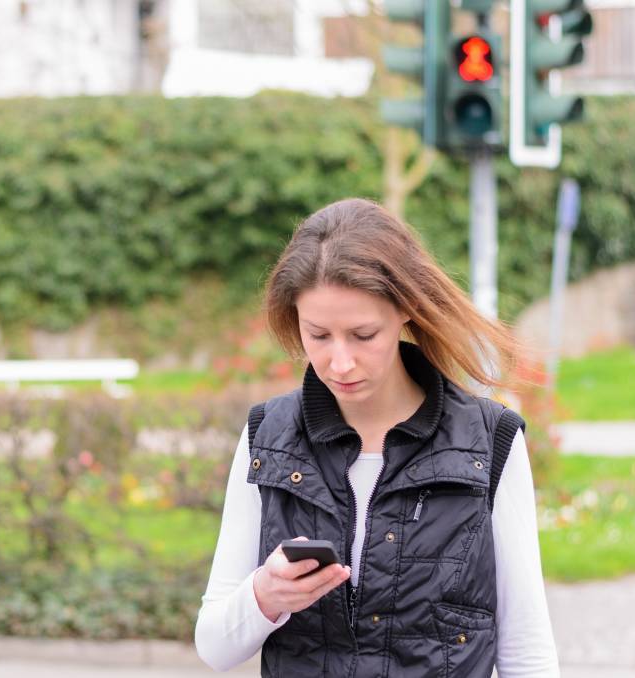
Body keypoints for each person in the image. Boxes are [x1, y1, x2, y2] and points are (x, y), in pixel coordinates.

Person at [194, 198, 558, 677]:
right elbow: (214, 646)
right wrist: (264, 595)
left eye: (363, 335)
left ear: (405, 310)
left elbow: (526, 652)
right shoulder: (269, 435)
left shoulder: (490, 442)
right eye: (318, 335)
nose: (339, 363)